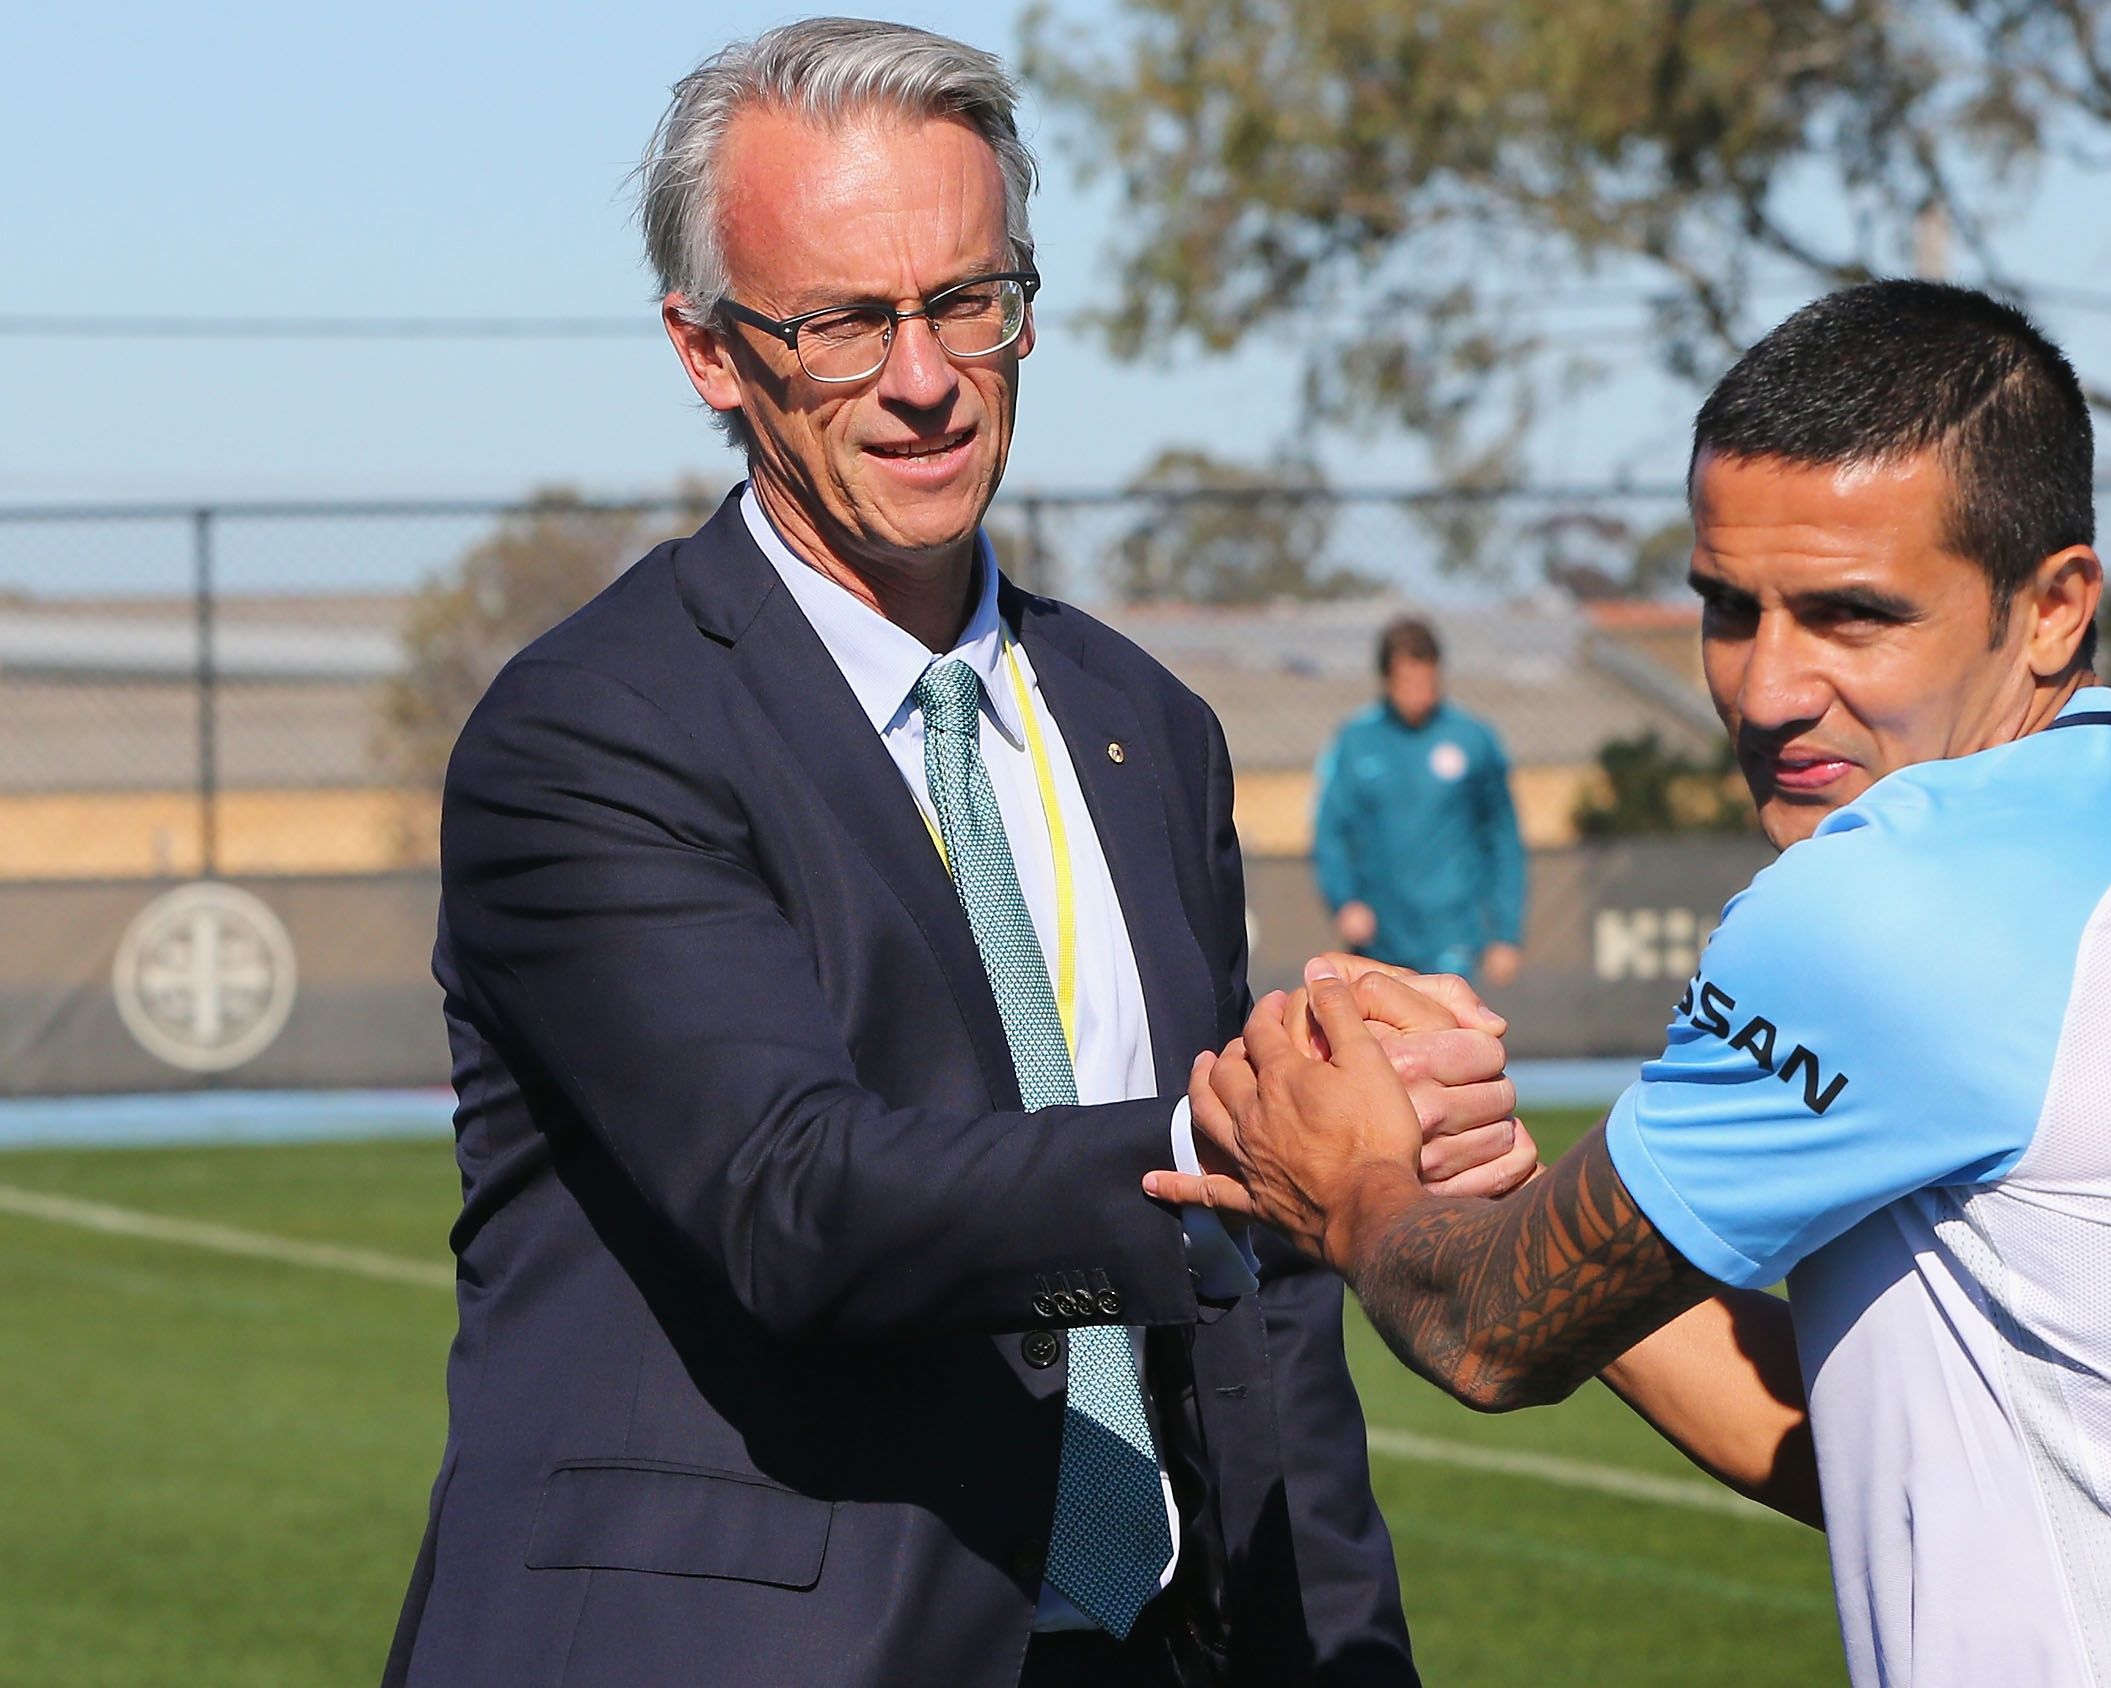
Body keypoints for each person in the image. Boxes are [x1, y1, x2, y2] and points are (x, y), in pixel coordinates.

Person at [386, 21, 1533, 1688]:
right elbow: (795, 1193)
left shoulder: (1150, 727)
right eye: (847, 320)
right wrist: (1235, 1128)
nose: (923, 377)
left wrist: (1339, 1646)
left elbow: (1260, 1305)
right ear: (708, 352)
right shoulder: (592, 732)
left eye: (967, 299)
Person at [1152, 282, 2111, 1687]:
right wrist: (1500, 1189)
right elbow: (1849, 1436)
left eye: (1853, 617)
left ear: (2053, 609)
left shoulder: (1902, 890)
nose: (1769, 686)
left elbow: (1488, 1331)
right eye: (1730, 609)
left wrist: (1355, 1182)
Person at [1311, 616, 1526, 986]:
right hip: (1378, 935)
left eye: (1428, 681)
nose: (1419, 693)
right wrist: (1344, 900)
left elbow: (1503, 837)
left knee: (1444, 1034)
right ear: (1387, 680)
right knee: (1382, 1038)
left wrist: (1506, 932)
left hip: (1451, 931)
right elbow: (1329, 830)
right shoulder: (1355, 741)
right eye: (1408, 682)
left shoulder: (1473, 739)